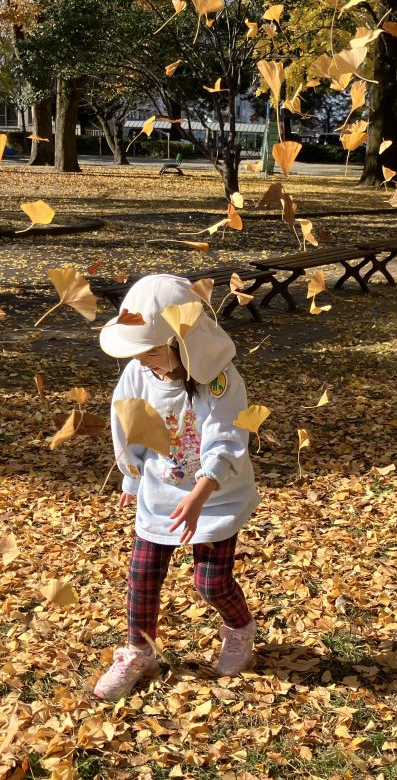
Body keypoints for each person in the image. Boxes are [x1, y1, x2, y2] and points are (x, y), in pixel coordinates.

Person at [93, 274, 260, 700]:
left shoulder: (220, 380)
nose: (144, 362)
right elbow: (126, 423)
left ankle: (240, 629)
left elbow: (226, 437)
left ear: (182, 346)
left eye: (152, 352)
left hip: (215, 496)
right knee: (143, 574)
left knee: (211, 583)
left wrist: (200, 495)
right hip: (162, 493)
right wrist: (132, 477)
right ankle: (137, 651)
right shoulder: (138, 373)